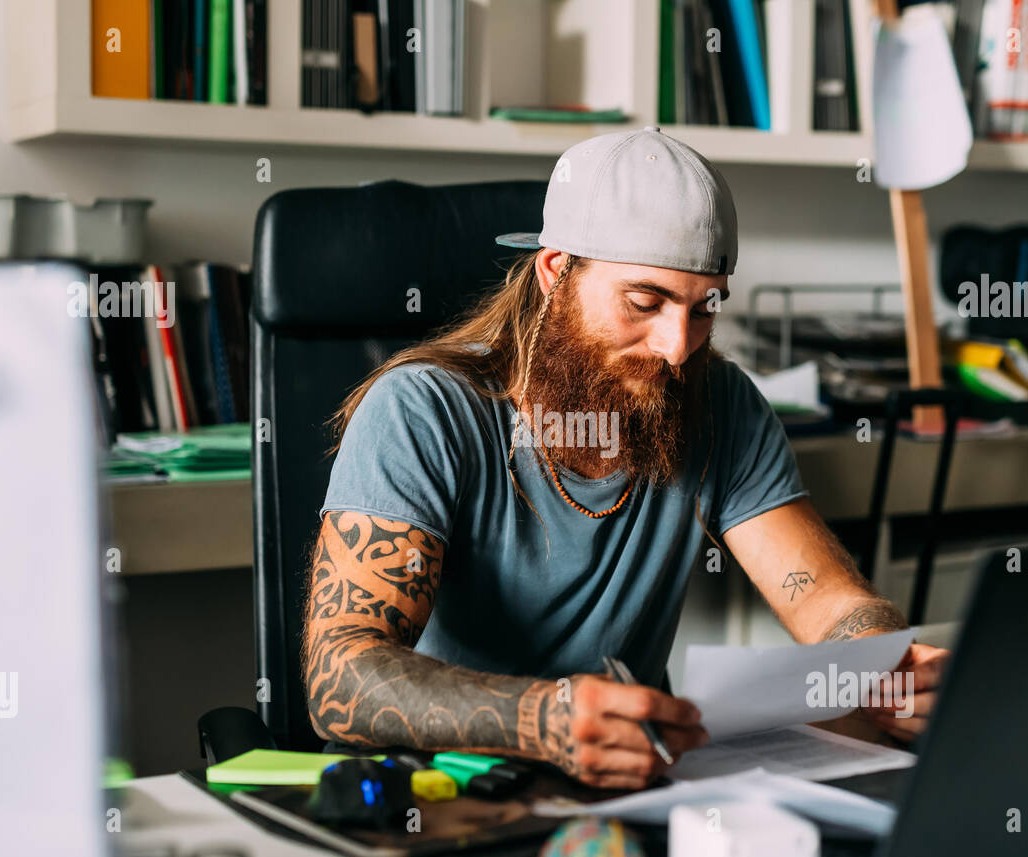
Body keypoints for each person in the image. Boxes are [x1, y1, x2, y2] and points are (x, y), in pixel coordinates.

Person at [304, 127, 948, 790]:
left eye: (705, 308)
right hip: (453, 797)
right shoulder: (422, 411)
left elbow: (816, 595)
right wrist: (543, 719)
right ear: (557, 272)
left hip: (632, 792)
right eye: (646, 302)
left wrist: (875, 659)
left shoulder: (718, 401)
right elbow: (341, 673)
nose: (678, 347)